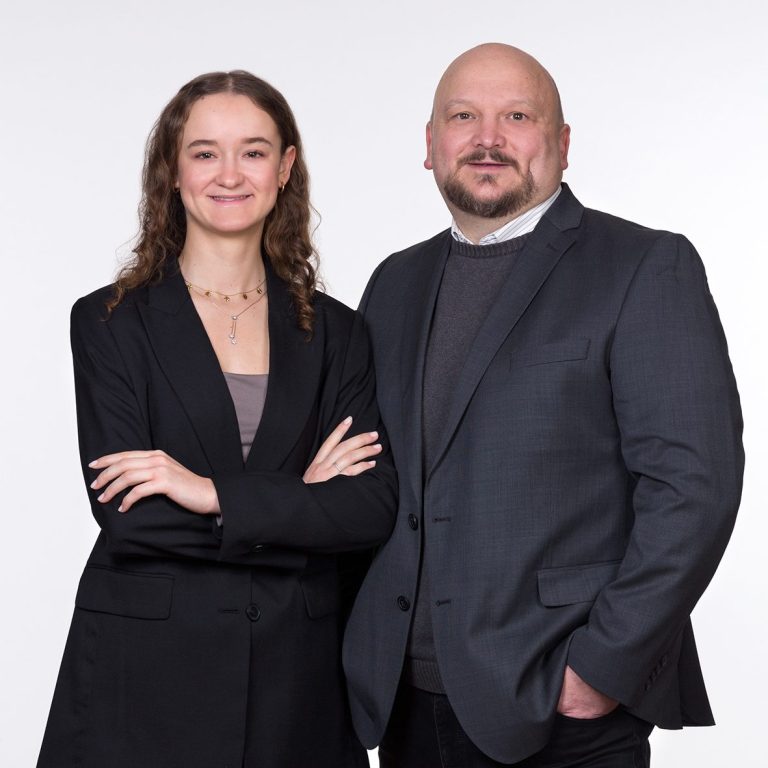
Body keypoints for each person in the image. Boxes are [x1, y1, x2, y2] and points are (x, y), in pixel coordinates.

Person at [343, 43, 743, 767]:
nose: (487, 138)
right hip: (403, 703)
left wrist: (603, 667)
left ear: (561, 142)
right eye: (463, 116)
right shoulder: (394, 283)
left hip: (559, 709)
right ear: (431, 146)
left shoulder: (644, 266)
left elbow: (694, 489)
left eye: (517, 117)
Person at [37, 70, 397, 768]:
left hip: (298, 683)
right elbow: (129, 516)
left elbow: (369, 508)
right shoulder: (110, 323)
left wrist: (208, 493)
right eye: (204, 153)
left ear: (285, 168)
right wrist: (299, 504)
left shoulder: (340, 332)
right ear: (172, 170)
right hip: (144, 676)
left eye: (253, 152)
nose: (229, 174)